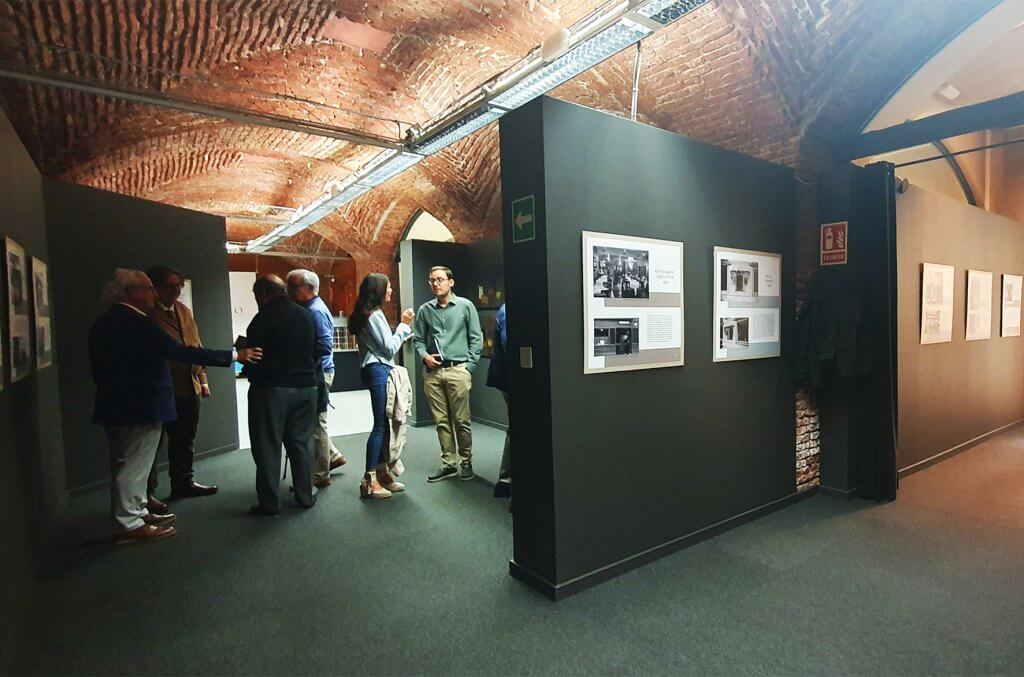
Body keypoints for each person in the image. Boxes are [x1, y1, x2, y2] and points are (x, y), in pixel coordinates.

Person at [89, 269, 261, 544]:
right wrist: (233, 355)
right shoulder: (137, 323)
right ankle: (129, 524)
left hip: (122, 403)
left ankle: (137, 511)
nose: (155, 295)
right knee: (133, 465)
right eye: (150, 289)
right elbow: (179, 351)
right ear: (131, 292)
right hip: (140, 405)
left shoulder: (107, 321)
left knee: (128, 462)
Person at [244, 275, 318, 516]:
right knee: (302, 443)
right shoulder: (305, 314)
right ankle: (305, 495)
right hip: (307, 386)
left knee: (268, 445)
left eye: (257, 297)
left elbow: (255, 358)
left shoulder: (261, 320)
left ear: (264, 294)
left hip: (271, 390)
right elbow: (316, 350)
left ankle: (270, 503)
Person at [145, 265, 219, 504]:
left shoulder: (184, 311)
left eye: (180, 285)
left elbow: (197, 345)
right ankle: (148, 493)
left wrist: (203, 379)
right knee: (152, 444)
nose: (177, 290)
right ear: (155, 287)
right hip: (161, 389)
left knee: (185, 439)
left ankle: (183, 481)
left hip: (190, 387)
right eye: (171, 285)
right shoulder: (146, 314)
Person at [412, 266, 483, 482]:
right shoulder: (425, 310)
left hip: (458, 370)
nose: (436, 284)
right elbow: (418, 339)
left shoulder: (465, 306)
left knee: (462, 420)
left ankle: (467, 461)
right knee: (441, 421)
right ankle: (448, 463)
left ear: (450, 282)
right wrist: (424, 356)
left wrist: (468, 367)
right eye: (432, 280)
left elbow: (476, 338)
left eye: (440, 279)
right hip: (433, 373)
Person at [348, 273, 414, 499]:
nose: (391, 291)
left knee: (384, 425)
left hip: (374, 370)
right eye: (388, 288)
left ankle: (382, 473)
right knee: (379, 425)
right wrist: (404, 327)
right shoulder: (375, 315)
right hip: (379, 370)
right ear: (378, 290)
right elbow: (389, 348)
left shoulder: (366, 314)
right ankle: (369, 480)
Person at [286, 269, 345, 489]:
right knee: (314, 421)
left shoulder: (315, 311)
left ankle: (320, 473)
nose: (289, 291)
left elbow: (323, 346)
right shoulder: (307, 308)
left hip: (318, 373)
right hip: (314, 371)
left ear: (310, 288)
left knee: (316, 423)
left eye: (295, 286)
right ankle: (333, 456)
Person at [487, 303, 511, 498]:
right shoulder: (509, 310)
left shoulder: (506, 308)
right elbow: (510, 346)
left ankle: (505, 481)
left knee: (516, 427)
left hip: (506, 377)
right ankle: (507, 480)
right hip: (512, 379)